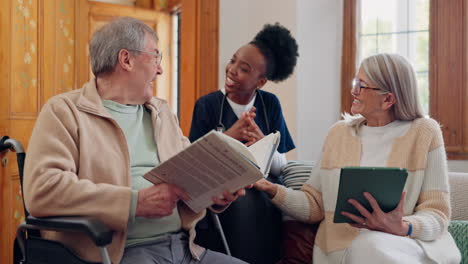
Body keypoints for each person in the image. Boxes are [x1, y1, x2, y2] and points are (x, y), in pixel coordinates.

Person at [23, 17, 248, 264]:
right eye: (155, 57)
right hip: (119, 254)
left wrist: (216, 191)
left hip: (186, 248)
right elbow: (43, 190)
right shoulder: (65, 111)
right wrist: (134, 203)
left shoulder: (162, 112)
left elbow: (191, 172)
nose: (160, 69)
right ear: (126, 60)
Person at [254, 53, 461, 263]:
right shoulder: (339, 133)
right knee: (365, 246)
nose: (353, 91)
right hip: (344, 254)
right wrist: (272, 189)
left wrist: (404, 226)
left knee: (369, 245)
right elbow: (315, 205)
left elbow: (437, 213)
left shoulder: (425, 132)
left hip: (405, 247)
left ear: (388, 99)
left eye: (361, 85)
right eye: (356, 82)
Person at [189, 23, 299, 264]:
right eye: (233, 61)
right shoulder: (207, 105)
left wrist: (264, 145)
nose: (232, 70)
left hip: (262, 188)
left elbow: (282, 167)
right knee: (240, 200)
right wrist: (230, 136)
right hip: (222, 190)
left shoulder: (270, 104)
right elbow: (194, 166)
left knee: (260, 197)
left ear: (260, 82)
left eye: (244, 69)